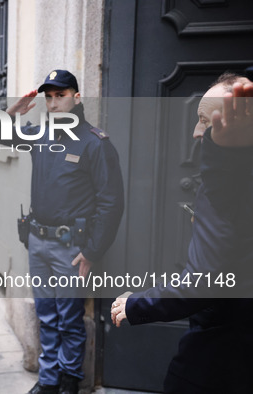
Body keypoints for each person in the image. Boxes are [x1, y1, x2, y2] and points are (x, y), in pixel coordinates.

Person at [111, 74, 253, 393]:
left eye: (207, 120)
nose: (196, 131)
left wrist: (136, 304)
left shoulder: (225, 187)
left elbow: (203, 282)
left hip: (219, 360)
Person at [0, 69, 124, 394]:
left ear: (76, 97)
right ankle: (49, 381)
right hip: (38, 242)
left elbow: (111, 203)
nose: (53, 103)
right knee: (46, 315)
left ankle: (69, 381)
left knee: (69, 319)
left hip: (71, 249)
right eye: (48, 98)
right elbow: (0, 136)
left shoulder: (95, 142)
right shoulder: (41, 134)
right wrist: (13, 112)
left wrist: (92, 251)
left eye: (60, 95)